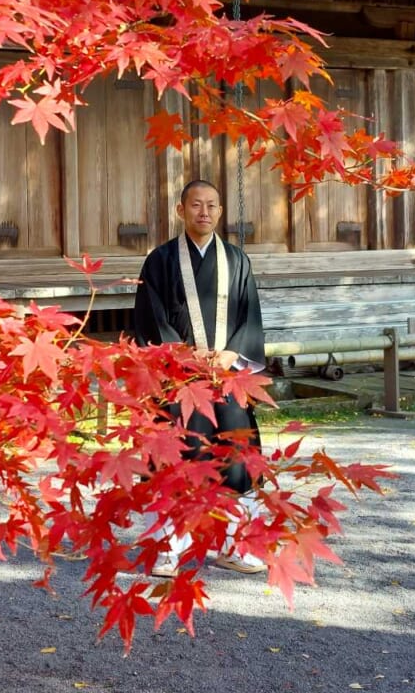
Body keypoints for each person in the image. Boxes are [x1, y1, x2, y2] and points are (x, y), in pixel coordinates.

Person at [134, 179, 267, 576]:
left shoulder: (238, 261)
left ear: (221, 211)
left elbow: (251, 318)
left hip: (227, 376)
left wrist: (231, 354)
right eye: (195, 205)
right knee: (178, 459)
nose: (203, 212)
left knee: (236, 459)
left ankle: (235, 546)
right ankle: (169, 550)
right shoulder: (159, 261)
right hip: (180, 381)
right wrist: (185, 357)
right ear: (180, 210)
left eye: (211, 205)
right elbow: (150, 319)